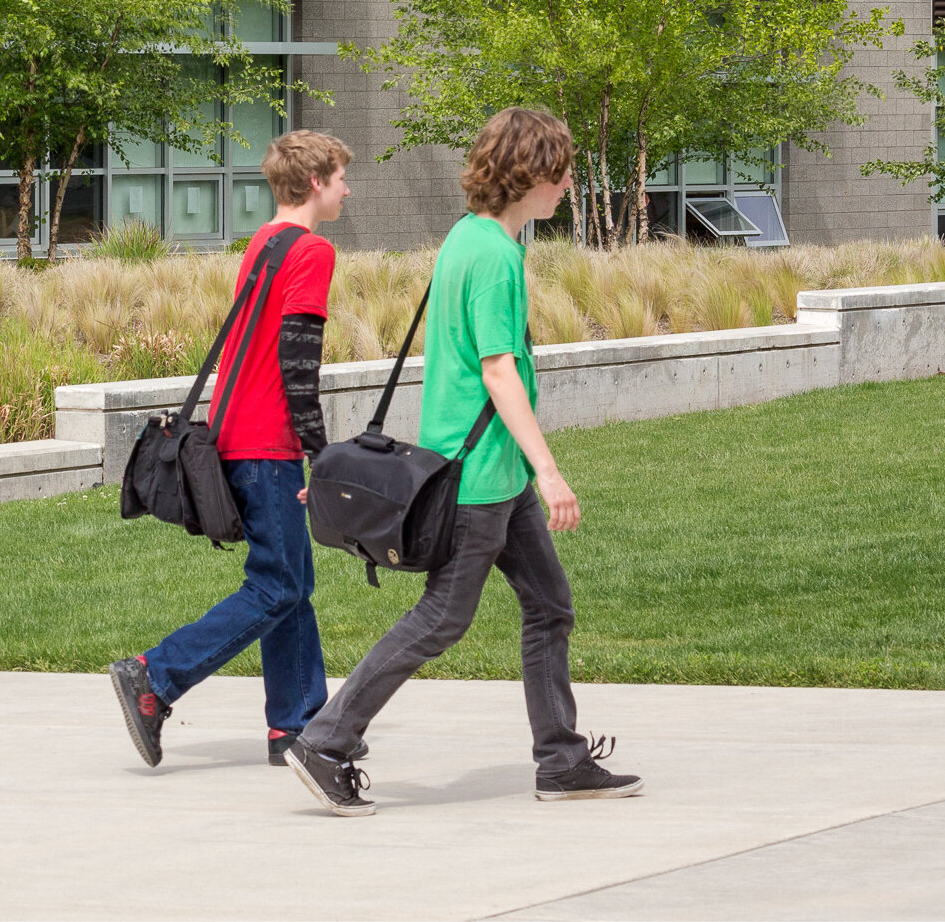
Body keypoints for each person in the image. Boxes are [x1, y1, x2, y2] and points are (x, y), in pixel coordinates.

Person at [287, 107, 639, 814]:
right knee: (444, 616)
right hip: (480, 478)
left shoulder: (474, 238)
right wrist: (551, 468)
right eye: (563, 169)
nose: (571, 181)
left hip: (493, 477)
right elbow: (499, 370)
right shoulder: (490, 256)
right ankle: (326, 738)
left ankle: (561, 759)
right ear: (531, 174)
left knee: (549, 605)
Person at [110, 128, 352, 771]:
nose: (348, 190)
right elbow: (298, 360)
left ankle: (295, 726)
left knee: (293, 584)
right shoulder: (311, 252)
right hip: (269, 442)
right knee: (275, 585)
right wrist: (320, 453)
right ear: (317, 182)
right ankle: (154, 678)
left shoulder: (261, 243)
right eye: (342, 178)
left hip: (235, 434)